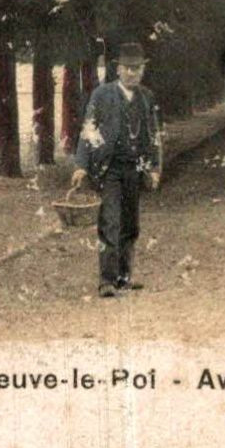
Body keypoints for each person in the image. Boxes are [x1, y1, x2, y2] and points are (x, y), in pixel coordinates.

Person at [71, 43, 162, 297]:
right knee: (110, 222)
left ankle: (124, 277)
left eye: (137, 68)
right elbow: (88, 130)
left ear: (142, 70)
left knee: (131, 225)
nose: (132, 73)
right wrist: (81, 166)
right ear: (118, 70)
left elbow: (154, 136)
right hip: (108, 169)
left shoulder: (146, 98)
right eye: (128, 68)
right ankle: (106, 281)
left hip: (135, 169)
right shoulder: (101, 95)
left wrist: (154, 168)